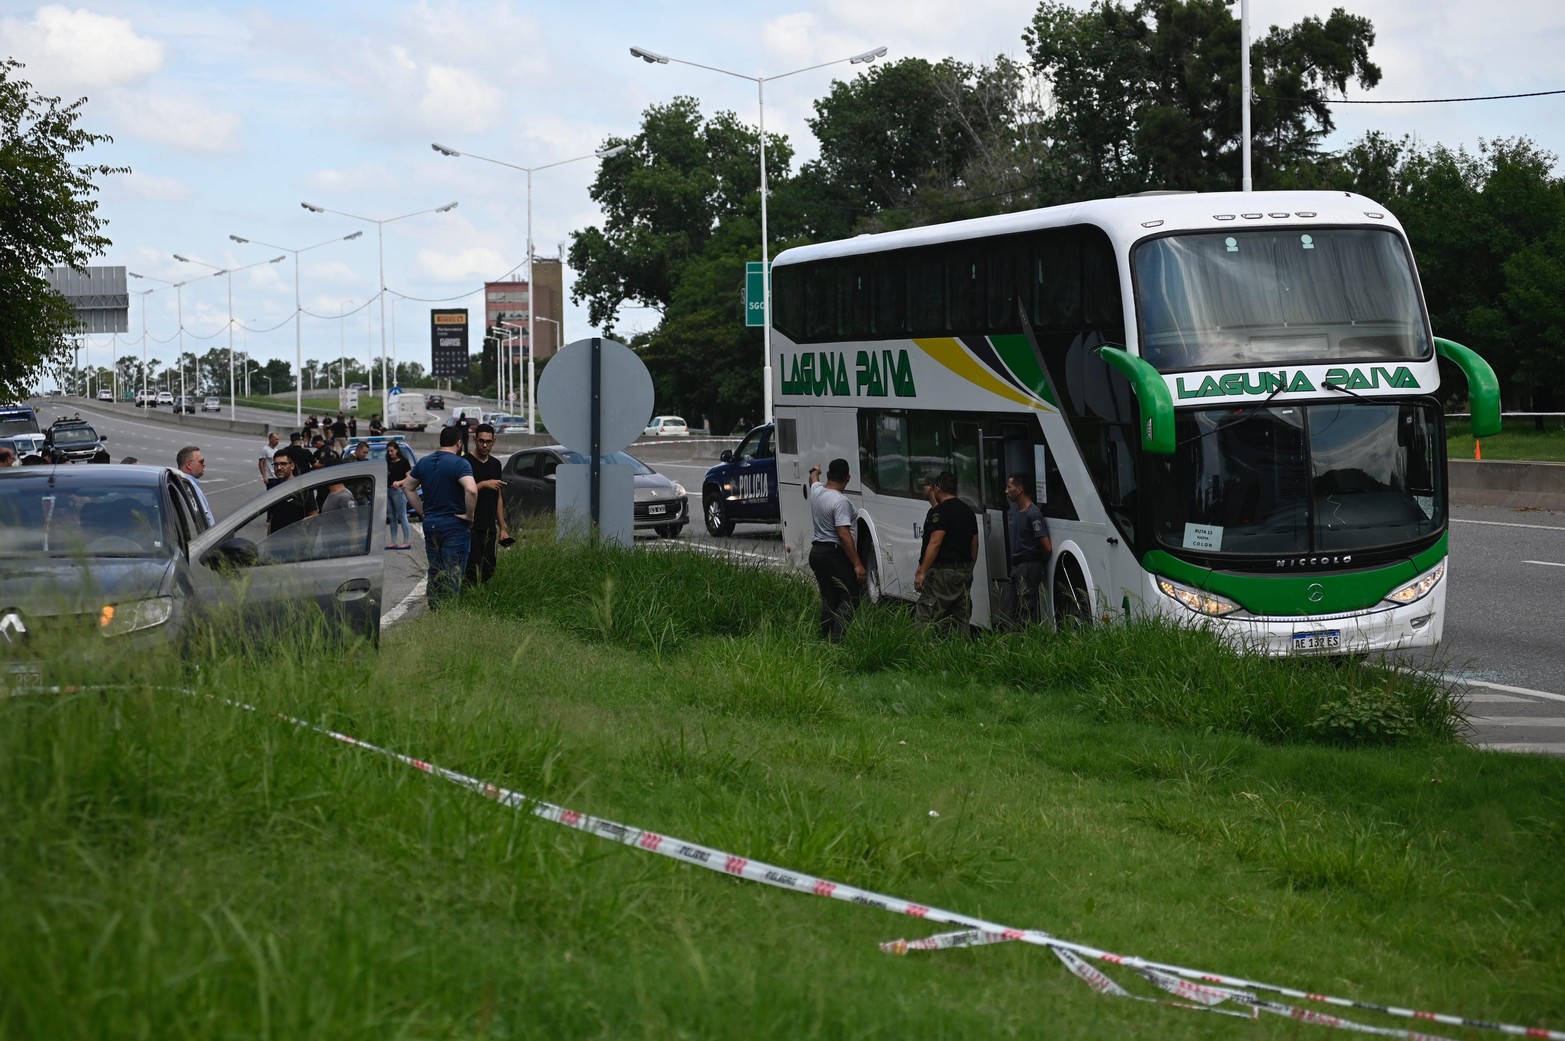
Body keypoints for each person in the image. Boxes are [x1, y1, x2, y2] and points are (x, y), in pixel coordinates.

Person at [400, 425, 477, 609]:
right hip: (454, 525)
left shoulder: (425, 462)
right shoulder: (460, 464)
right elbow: (472, 490)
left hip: (431, 523)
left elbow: (407, 487)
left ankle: (435, 608)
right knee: (453, 572)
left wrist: (422, 512)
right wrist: (469, 515)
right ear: (459, 443)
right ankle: (449, 611)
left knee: (435, 570)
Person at [806, 458, 866, 641]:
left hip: (816, 553)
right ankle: (837, 641)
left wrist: (815, 470)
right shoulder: (841, 502)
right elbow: (843, 534)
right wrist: (857, 564)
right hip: (833, 554)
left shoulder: (817, 491)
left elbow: (813, 478)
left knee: (829, 596)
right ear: (848, 477)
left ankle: (825, 637)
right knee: (850, 596)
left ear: (829, 475)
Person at [913, 471, 979, 636]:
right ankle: (961, 654)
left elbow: (935, 542)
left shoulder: (940, 512)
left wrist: (922, 572)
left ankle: (920, 655)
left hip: (943, 573)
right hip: (963, 572)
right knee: (960, 619)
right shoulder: (968, 512)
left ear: (937, 488)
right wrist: (970, 568)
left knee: (925, 615)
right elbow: (974, 544)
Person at [1001, 472, 1053, 628]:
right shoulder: (1018, 512)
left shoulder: (1033, 514)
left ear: (1019, 490)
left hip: (1027, 566)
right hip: (1016, 567)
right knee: (1009, 610)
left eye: (1009, 487)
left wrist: (1036, 564)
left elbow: (1046, 547)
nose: (1006, 491)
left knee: (1026, 611)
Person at [464, 423, 510, 585]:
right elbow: (461, 494)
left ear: (494, 442)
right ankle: (468, 602)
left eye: (488, 442)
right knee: (471, 569)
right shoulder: (465, 463)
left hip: (489, 526)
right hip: (470, 525)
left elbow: (497, 496)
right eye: (481, 441)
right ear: (474, 440)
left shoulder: (496, 464)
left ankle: (484, 601)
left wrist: (503, 527)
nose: (484, 445)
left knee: (489, 568)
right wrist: (483, 484)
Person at [265, 451, 316, 534]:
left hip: (296, 543)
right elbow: (272, 518)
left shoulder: (303, 489)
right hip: (277, 542)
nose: (279, 468)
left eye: (283, 464)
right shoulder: (274, 490)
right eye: (276, 464)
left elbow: (313, 517)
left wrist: (310, 545)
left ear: (292, 466)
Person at [175, 444, 216, 526]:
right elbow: (204, 519)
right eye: (201, 462)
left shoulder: (176, 480)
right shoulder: (189, 486)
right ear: (189, 465)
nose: (204, 465)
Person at [385, 440, 413, 549]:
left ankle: (407, 541)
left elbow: (409, 477)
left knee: (402, 515)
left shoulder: (403, 462)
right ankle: (393, 541)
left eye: (392, 451)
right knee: (392, 517)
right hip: (388, 490)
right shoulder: (387, 462)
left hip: (399, 491)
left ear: (396, 450)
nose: (390, 453)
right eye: (388, 451)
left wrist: (399, 482)